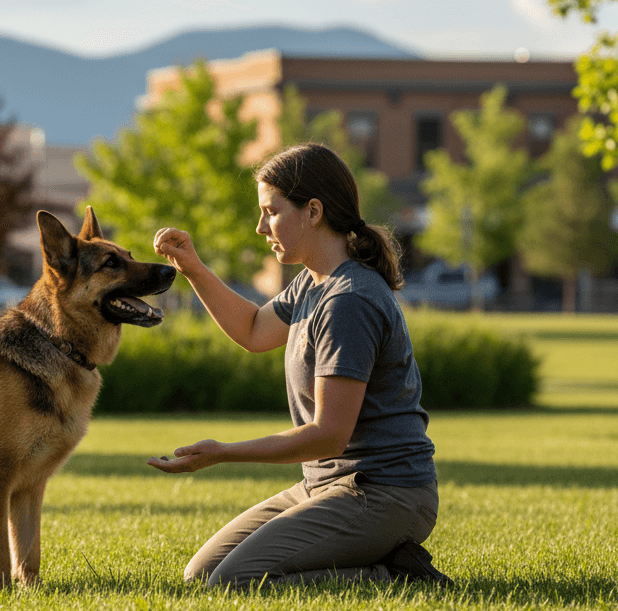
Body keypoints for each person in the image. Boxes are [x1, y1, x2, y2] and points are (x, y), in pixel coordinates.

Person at [148, 143, 450, 588]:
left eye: (270, 212)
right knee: (201, 575)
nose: (260, 227)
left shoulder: (348, 300)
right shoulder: (313, 284)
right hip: (325, 486)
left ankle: (396, 575)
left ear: (313, 211)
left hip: (384, 493)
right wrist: (192, 268)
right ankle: (380, 563)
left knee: (234, 582)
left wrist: (226, 453)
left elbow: (329, 434)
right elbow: (253, 330)